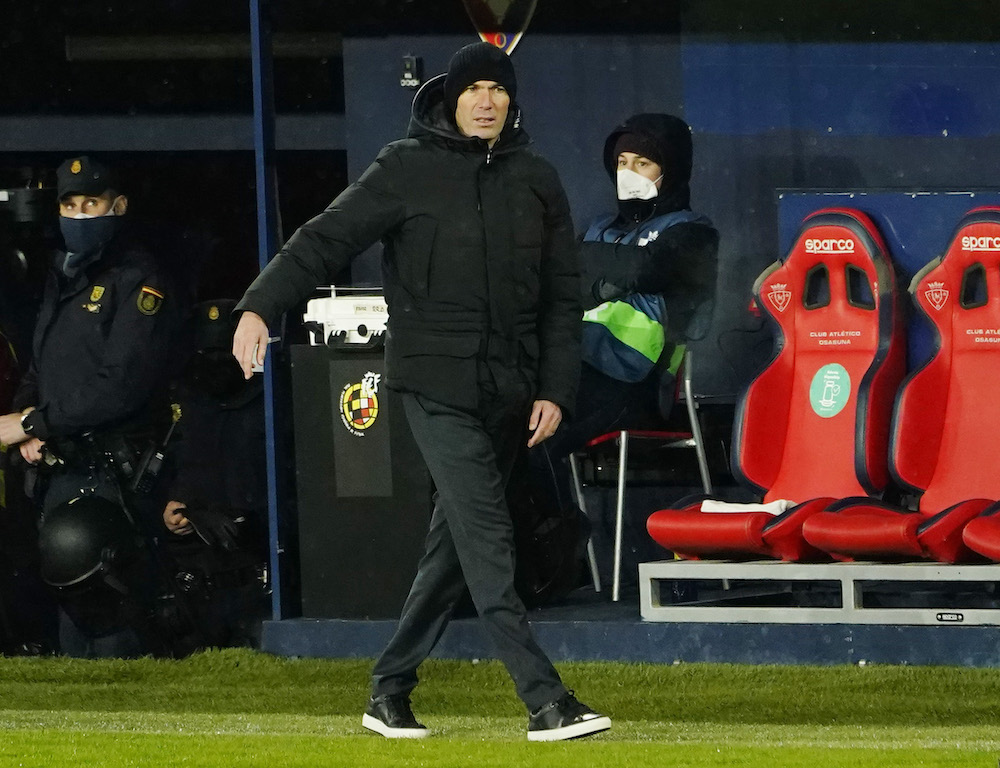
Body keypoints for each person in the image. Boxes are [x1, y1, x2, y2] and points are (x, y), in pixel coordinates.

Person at [232, 42, 610, 742]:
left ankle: (389, 689)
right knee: (488, 538)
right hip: (435, 386)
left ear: (512, 101)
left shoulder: (537, 178)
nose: (486, 101)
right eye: (473, 90)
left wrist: (554, 389)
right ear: (450, 98)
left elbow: (563, 299)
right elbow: (322, 240)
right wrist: (260, 305)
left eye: (498, 89)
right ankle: (545, 700)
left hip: (510, 391)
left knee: (454, 550)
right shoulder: (404, 166)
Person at [518, 113, 719, 586]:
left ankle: (560, 554)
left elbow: (649, 269)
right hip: (576, 370)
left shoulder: (693, 232)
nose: (628, 172)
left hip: (638, 387)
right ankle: (531, 558)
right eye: (622, 161)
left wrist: (590, 266)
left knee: (533, 441)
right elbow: (558, 276)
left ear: (671, 169)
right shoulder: (600, 229)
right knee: (504, 431)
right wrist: (610, 270)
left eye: (643, 163)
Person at [0, 155, 181, 656]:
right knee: (73, 610)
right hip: (61, 471)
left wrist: (34, 423)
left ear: (117, 206)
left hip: (115, 472)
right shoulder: (62, 276)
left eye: (91, 204)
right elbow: (40, 369)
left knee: (116, 616)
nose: (79, 216)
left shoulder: (139, 278)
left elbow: (122, 385)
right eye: (70, 205)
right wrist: (32, 423)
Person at [161, 298, 269, 654]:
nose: (215, 365)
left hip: (257, 568)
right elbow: (175, 466)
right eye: (206, 355)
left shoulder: (269, 403)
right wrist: (175, 506)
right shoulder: (187, 404)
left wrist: (241, 519)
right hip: (195, 571)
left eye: (224, 354)